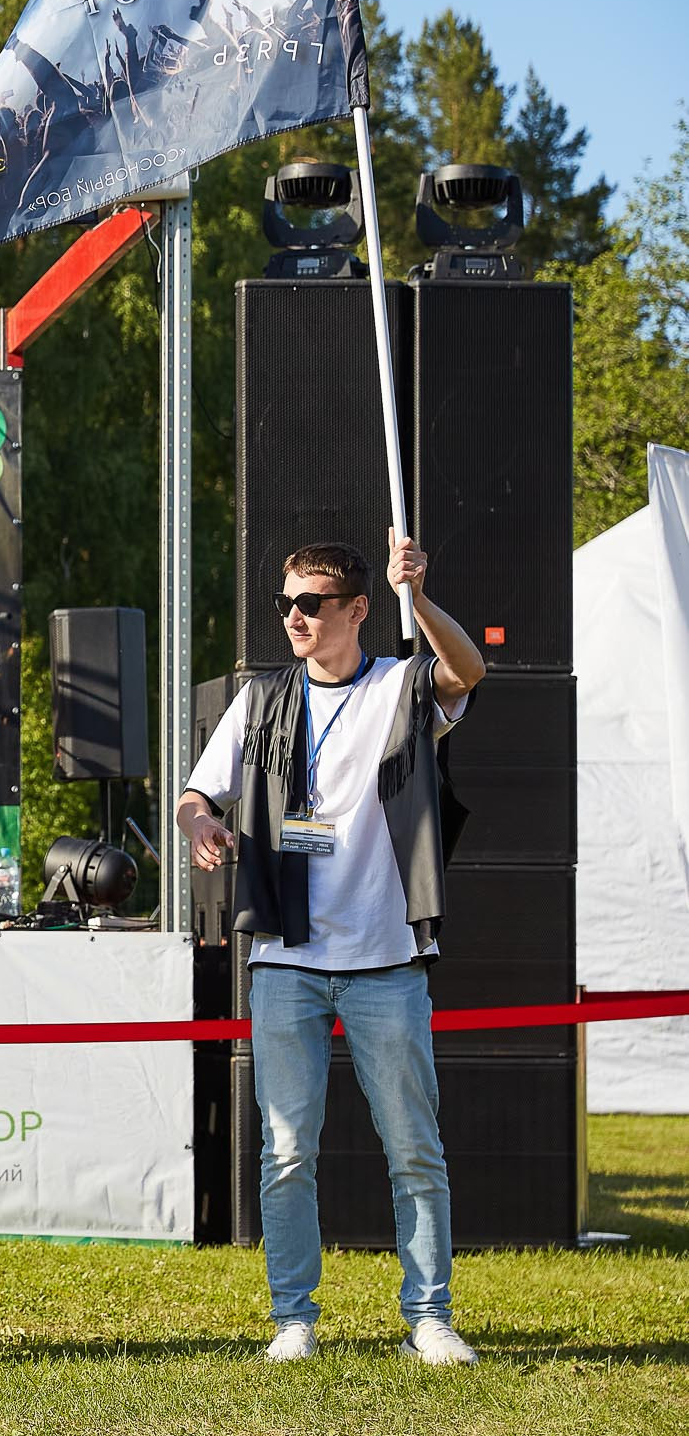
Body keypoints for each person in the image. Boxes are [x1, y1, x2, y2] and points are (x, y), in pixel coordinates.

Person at [178, 535, 485, 1367]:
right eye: (286, 603)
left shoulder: (397, 683)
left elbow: (467, 673)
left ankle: (429, 1314)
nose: (294, 617)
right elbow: (198, 790)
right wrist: (201, 819)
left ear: (356, 609)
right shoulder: (261, 698)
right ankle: (293, 1318)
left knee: (413, 1145)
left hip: (386, 955)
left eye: (311, 602)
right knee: (286, 1149)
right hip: (285, 955)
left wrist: (417, 600)